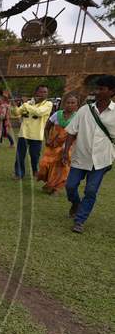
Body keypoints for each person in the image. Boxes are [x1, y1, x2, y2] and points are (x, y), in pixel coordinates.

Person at [63, 75, 115, 233]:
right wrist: (65, 152)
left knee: (91, 190)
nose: (97, 91)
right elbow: (71, 132)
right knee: (70, 186)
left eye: (101, 89)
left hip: (102, 159)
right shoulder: (85, 110)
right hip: (81, 156)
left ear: (112, 91)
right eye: (97, 88)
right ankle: (76, 203)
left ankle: (80, 220)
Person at [37, 94, 78, 194]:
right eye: (68, 102)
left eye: (73, 103)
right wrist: (47, 139)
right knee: (44, 165)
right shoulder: (57, 114)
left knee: (61, 168)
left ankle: (55, 188)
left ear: (77, 105)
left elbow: (77, 134)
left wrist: (68, 147)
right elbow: (47, 128)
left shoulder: (78, 117)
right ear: (64, 104)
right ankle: (49, 183)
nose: (70, 105)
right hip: (52, 146)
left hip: (67, 146)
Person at [13, 85, 52, 179]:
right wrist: (15, 105)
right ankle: (19, 174)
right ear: (36, 93)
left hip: (37, 135)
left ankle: (35, 170)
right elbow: (17, 113)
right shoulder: (29, 102)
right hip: (24, 133)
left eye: (45, 92)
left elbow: (39, 112)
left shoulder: (48, 104)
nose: (42, 94)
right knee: (20, 155)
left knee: (34, 156)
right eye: (40, 92)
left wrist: (25, 104)